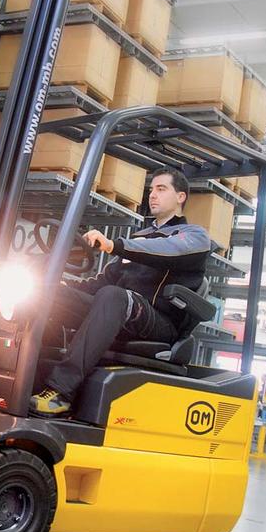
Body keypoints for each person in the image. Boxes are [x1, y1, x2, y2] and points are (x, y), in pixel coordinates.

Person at [30, 167, 213, 416]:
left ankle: (61, 391)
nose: (153, 195)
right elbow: (101, 283)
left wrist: (114, 245)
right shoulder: (140, 238)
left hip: (159, 323)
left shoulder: (194, 236)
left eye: (161, 189)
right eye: (151, 190)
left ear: (180, 197)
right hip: (120, 312)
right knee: (48, 293)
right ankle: (29, 375)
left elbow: (167, 249)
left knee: (113, 296)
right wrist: (62, 287)